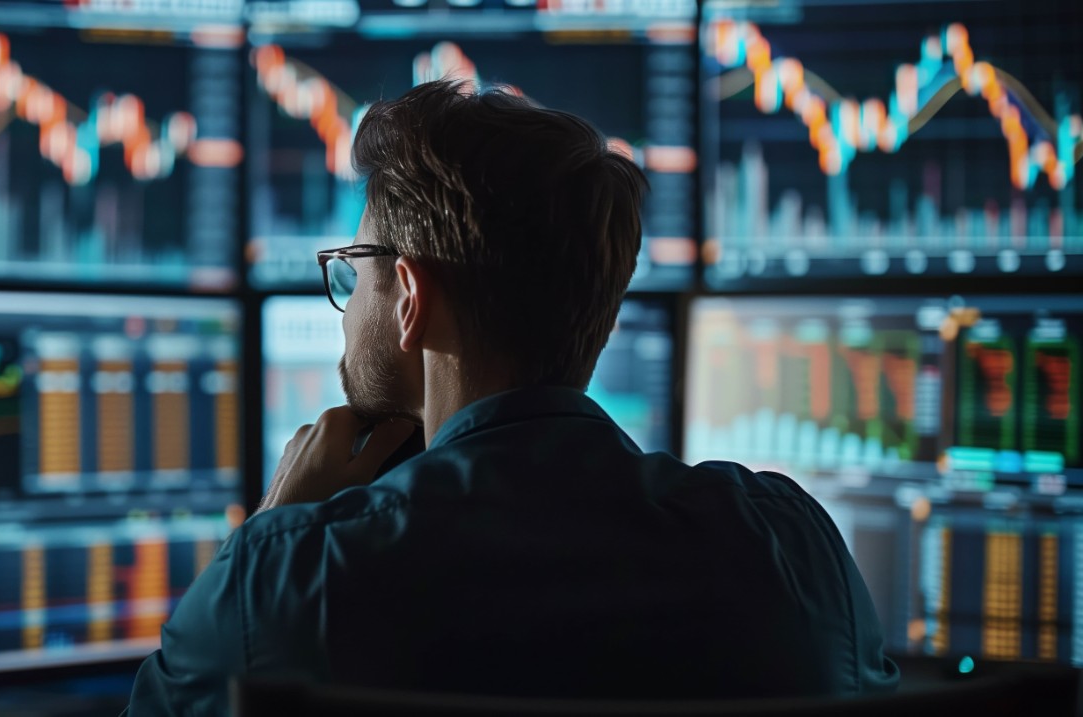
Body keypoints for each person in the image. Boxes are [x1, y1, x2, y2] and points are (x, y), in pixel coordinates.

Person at [123, 80, 899, 715]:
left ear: (408, 299)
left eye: (355, 266)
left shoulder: (288, 580)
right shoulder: (793, 552)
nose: (346, 295)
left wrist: (266, 531)